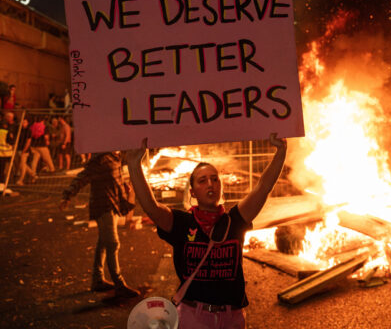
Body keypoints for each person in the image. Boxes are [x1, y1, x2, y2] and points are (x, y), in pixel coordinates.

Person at [126, 133, 287, 328]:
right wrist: (134, 164)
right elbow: (150, 206)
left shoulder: (235, 221)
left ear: (220, 186)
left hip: (232, 318)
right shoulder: (181, 223)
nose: (210, 184)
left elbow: (263, 187)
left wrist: (280, 151)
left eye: (214, 179)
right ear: (192, 192)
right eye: (202, 181)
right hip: (193, 317)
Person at [60, 151, 140, 298]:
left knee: (103, 242)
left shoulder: (115, 158)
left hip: (113, 205)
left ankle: (97, 280)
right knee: (113, 244)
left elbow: (115, 180)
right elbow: (82, 177)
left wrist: (124, 190)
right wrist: (67, 195)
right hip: (103, 207)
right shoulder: (101, 159)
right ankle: (119, 284)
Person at [15, 117, 37, 185]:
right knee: (23, 164)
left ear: (27, 123)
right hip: (18, 149)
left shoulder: (28, 131)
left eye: (24, 122)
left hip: (24, 150)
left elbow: (28, 141)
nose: (23, 124)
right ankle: (33, 175)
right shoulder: (19, 130)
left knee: (22, 165)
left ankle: (21, 180)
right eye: (22, 122)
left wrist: (24, 150)